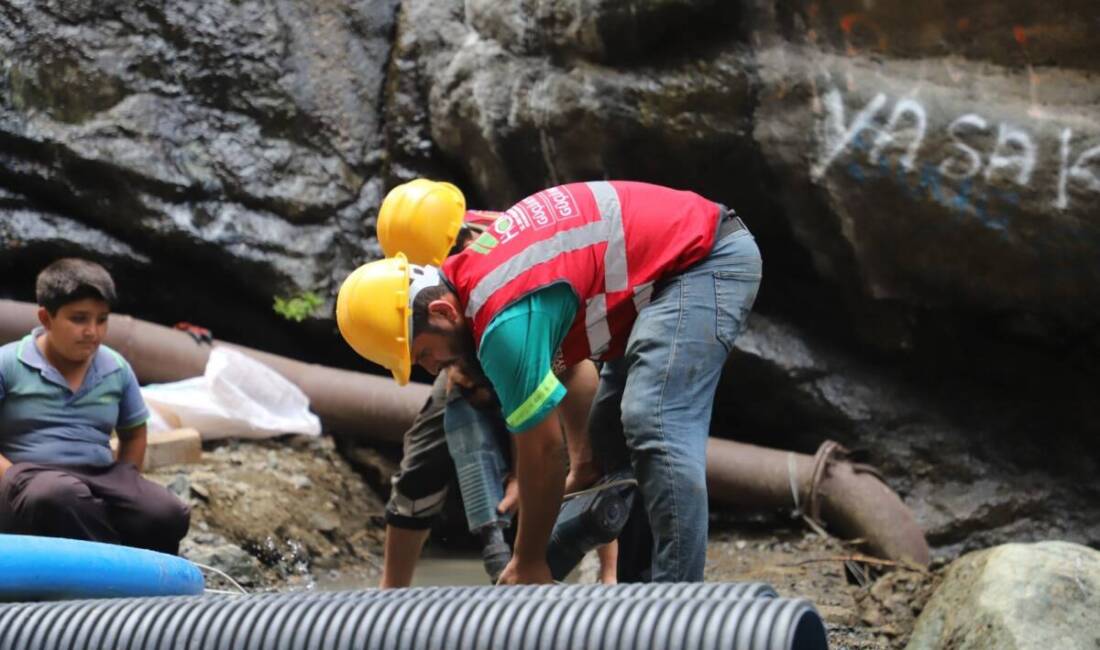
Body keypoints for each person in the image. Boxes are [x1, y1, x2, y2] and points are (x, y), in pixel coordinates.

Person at [338, 180, 762, 584]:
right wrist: (581, 470)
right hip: (653, 283)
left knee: (651, 419)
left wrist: (528, 559)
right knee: (610, 437)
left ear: (443, 314)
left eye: (424, 354)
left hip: (702, 260)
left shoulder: (501, 317)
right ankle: (640, 592)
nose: (433, 370)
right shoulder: (472, 276)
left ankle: (678, 608)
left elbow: (543, 449)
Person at [369, 179, 615, 587]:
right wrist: (453, 367)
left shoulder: (499, 246)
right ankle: (388, 594)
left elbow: (542, 385)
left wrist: (523, 473)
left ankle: (610, 574)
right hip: (456, 349)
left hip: (532, 342)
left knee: (588, 449)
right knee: (424, 458)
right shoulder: (421, 240)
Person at [0, 258, 190, 555]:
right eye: (79, 319)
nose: (93, 331)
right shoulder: (8, 363)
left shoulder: (116, 368)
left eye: (102, 320)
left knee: (166, 512)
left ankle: (143, 574)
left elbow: (133, 433)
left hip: (100, 476)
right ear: (46, 318)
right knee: (58, 495)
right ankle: (113, 565)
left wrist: (127, 479)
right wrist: (13, 480)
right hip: (28, 479)